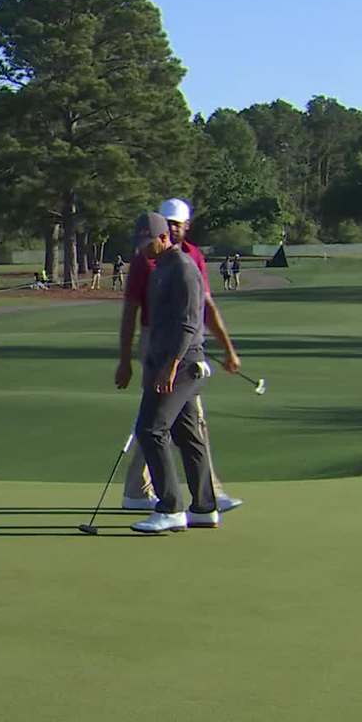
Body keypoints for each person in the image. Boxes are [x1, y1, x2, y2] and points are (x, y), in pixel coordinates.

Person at [116, 198, 243, 515]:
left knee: (164, 426)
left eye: (176, 224)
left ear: (184, 226)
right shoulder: (150, 261)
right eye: (167, 222)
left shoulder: (187, 263)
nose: (172, 229)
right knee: (167, 425)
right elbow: (131, 312)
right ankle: (193, 500)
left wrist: (225, 349)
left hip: (180, 349)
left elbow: (197, 315)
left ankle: (183, 504)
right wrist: (126, 359)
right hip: (158, 343)